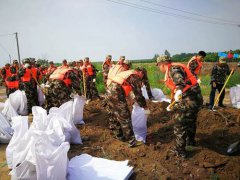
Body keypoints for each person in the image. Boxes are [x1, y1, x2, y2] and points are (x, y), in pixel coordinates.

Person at [156, 55, 203, 158]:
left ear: (162, 64)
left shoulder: (173, 68)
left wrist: (179, 89)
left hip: (190, 100)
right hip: (195, 99)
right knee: (190, 120)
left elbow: (179, 80)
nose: (158, 68)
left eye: (158, 66)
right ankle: (190, 142)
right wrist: (173, 101)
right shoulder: (174, 68)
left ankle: (180, 151)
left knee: (179, 123)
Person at [106, 61, 149, 147]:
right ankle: (132, 141)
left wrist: (131, 100)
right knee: (125, 116)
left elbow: (127, 89)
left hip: (109, 90)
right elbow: (138, 95)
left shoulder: (128, 73)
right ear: (141, 72)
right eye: (143, 76)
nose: (141, 78)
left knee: (114, 114)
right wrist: (144, 106)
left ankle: (119, 135)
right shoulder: (135, 76)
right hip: (116, 92)